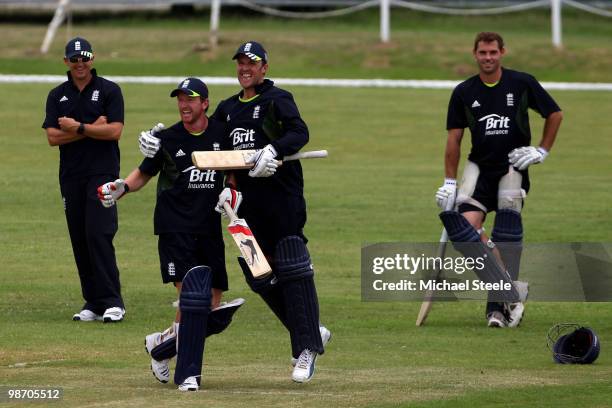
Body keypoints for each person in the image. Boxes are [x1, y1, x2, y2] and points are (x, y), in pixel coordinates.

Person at [98, 78, 243, 391]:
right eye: (180, 99)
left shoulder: (221, 133)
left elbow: (232, 171)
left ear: (205, 103)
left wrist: (231, 193)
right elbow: (142, 175)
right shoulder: (166, 138)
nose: (184, 105)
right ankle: (188, 374)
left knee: (211, 306)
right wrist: (119, 188)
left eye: (190, 99)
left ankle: (162, 347)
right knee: (192, 299)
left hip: (209, 229)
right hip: (175, 227)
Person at [213, 41, 330, 383]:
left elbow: (300, 133)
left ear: (264, 67)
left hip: (283, 200)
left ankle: (305, 349)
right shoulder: (227, 108)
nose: (245, 68)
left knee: (291, 268)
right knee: (258, 274)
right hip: (245, 206)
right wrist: (228, 187)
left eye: (252, 63)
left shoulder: (278, 99)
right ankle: (310, 330)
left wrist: (273, 149)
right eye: (240, 63)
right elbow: (218, 151)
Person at [436, 32, 563, 328]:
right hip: (478, 167)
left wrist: (542, 150)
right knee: (464, 230)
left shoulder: (522, 83)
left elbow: (554, 114)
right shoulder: (464, 91)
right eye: (483, 52)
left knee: (505, 235)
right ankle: (511, 293)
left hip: (512, 166)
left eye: (493, 52)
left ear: (502, 52)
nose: (488, 57)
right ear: (475, 54)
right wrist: (449, 182)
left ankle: (496, 310)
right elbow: (454, 139)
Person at [42, 37, 126, 323]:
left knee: (99, 234)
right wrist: (92, 128)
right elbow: (53, 137)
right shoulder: (57, 95)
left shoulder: (109, 90)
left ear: (92, 59)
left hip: (102, 174)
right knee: (79, 237)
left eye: (85, 58)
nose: (80, 63)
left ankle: (113, 301)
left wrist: (76, 127)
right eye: (74, 59)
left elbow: (114, 131)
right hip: (71, 176)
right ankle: (93, 301)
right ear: (66, 61)